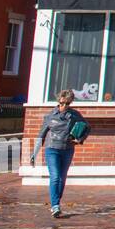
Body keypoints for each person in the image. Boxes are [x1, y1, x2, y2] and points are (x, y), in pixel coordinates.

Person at [29, 90, 85, 218]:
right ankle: (55, 205)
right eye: (61, 103)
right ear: (58, 101)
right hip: (52, 149)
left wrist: (79, 139)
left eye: (67, 104)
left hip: (67, 149)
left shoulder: (74, 115)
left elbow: (86, 127)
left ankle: (56, 202)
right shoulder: (50, 116)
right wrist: (34, 154)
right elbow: (41, 136)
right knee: (55, 176)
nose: (63, 106)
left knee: (62, 178)